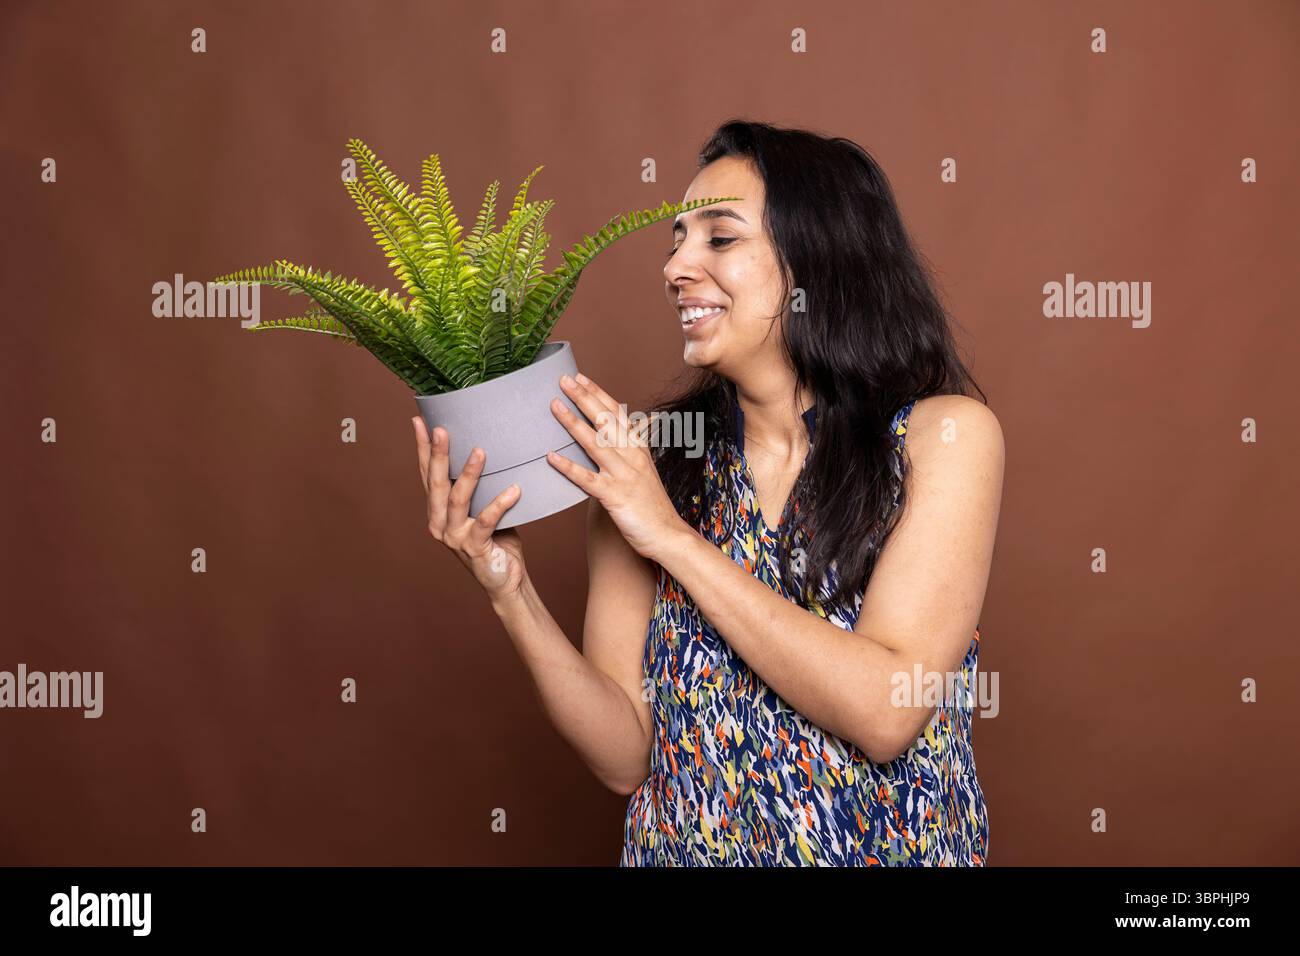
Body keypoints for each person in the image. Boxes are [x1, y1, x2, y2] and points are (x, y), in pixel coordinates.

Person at [412, 119, 1003, 866]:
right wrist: (510, 592)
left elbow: (887, 710)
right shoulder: (647, 464)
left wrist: (670, 539)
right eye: (676, 241)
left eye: (719, 240)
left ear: (817, 260)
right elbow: (626, 755)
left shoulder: (942, 438)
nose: (677, 267)